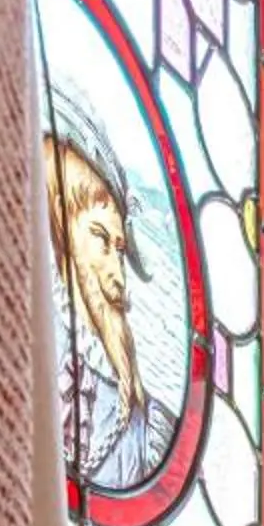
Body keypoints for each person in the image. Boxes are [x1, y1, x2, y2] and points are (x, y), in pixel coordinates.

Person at [43, 99, 177, 492]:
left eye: (120, 251)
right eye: (100, 240)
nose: (117, 277)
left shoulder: (143, 429)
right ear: (58, 226)